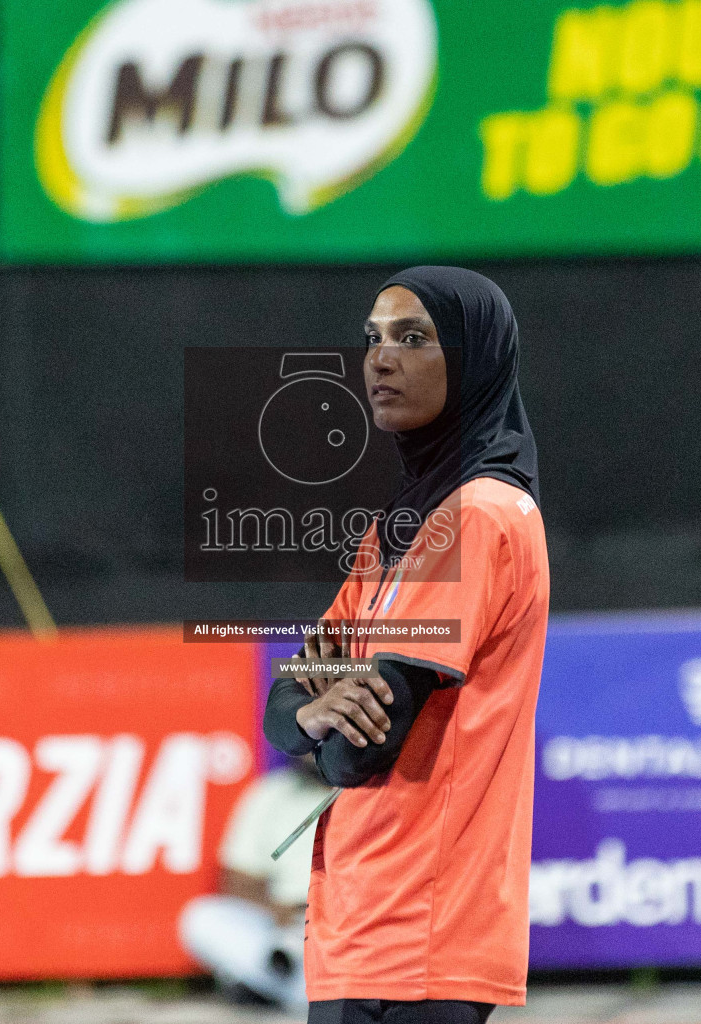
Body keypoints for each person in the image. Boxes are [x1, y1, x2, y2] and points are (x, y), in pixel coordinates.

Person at [263, 267, 549, 1024]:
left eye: (413, 338)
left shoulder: (479, 516)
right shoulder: (395, 530)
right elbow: (283, 697)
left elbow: (361, 749)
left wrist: (319, 722)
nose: (380, 359)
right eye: (373, 338)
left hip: (421, 931)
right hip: (366, 926)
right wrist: (316, 709)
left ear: (474, 359)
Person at [179, 757, 334, 1014]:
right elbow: (238, 879)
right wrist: (280, 911)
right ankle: (303, 992)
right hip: (289, 923)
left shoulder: (377, 791)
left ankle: (284, 992)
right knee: (201, 918)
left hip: (348, 922)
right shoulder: (272, 793)